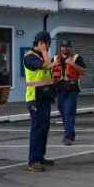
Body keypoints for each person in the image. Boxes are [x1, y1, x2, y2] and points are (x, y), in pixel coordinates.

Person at [23, 31, 57, 171]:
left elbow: (48, 68)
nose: (49, 46)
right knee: (37, 129)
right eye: (48, 43)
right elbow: (47, 66)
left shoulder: (39, 56)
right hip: (35, 99)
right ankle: (33, 161)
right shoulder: (30, 57)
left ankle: (40, 156)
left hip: (45, 98)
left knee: (44, 129)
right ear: (42, 43)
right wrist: (44, 51)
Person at [52, 38, 87, 145]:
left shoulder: (77, 58)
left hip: (72, 89)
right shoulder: (54, 58)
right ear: (60, 47)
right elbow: (49, 71)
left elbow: (84, 72)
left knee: (69, 113)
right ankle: (71, 133)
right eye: (63, 46)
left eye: (67, 46)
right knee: (63, 112)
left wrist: (72, 64)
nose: (65, 48)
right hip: (59, 89)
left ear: (70, 47)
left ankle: (67, 138)